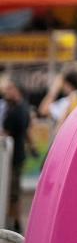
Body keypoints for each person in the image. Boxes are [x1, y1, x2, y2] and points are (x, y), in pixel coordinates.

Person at [1, 79, 30, 232]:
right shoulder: (22, 108)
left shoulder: (16, 111)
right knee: (14, 191)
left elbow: (6, 132)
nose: (5, 91)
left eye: (9, 88)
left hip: (13, 158)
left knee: (13, 192)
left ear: (16, 90)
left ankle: (15, 225)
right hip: (17, 156)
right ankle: (14, 223)